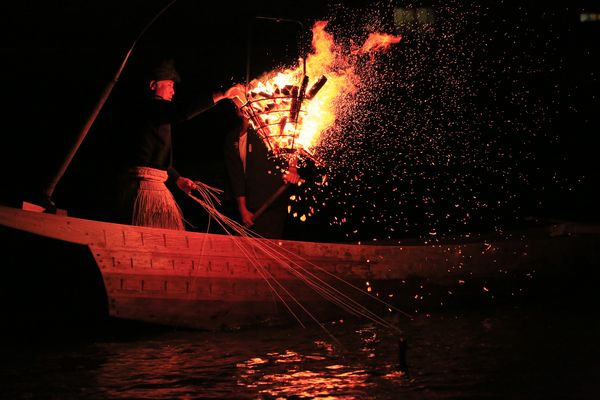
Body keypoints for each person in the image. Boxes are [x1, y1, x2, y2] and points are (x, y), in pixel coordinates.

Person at [118, 59, 245, 230]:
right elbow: (183, 112)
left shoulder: (160, 114)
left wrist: (177, 178)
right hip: (143, 188)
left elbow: (156, 157)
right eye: (169, 85)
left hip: (155, 184)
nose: (173, 91)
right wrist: (222, 94)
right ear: (153, 85)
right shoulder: (150, 108)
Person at [223, 102, 300, 238]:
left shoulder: (268, 129)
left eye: (241, 101)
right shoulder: (232, 138)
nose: (238, 104)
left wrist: (292, 169)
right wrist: (242, 208)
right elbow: (236, 176)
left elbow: (291, 142)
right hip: (248, 206)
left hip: (272, 200)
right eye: (235, 102)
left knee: (270, 248)